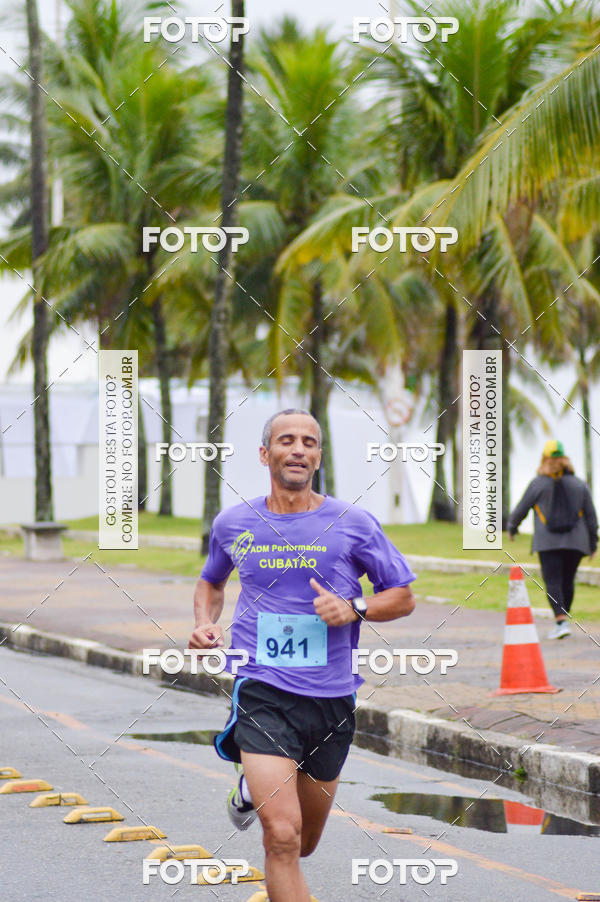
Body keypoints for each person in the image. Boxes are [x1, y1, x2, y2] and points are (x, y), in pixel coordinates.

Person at [188, 408, 416, 902]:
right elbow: (211, 581)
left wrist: (354, 607)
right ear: (265, 453)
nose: (298, 449)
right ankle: (257, 784)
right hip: (262, 688)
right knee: (282, 836)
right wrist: (205, 623)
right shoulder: (234, 522)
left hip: (331, 700)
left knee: (306, 842)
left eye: (309, 442)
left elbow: (402, 595)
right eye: (286, 440)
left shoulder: (352, 523)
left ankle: (248, 790)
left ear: (317, 455)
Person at [506, 439, 597, 639]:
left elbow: (522, 507)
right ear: (565, 459)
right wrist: (593, 543)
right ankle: (563, 620)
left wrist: (512, 527)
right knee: (567, 581)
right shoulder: (580, 484)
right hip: (576, 543)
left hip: (548, 543)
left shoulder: (538, 483)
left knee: (553, 581)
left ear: (544, 459)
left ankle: (561, 621)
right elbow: (591, 516)